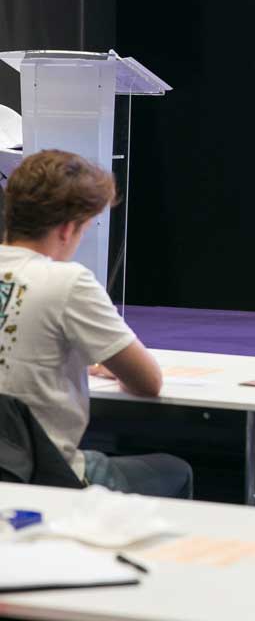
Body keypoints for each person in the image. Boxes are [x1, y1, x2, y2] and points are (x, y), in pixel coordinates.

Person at [0, 149, 193, 498]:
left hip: (11, 471)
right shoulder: (67, 282)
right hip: (45, 475)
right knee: (175, 471)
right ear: (68, 228)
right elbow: (148, 382)